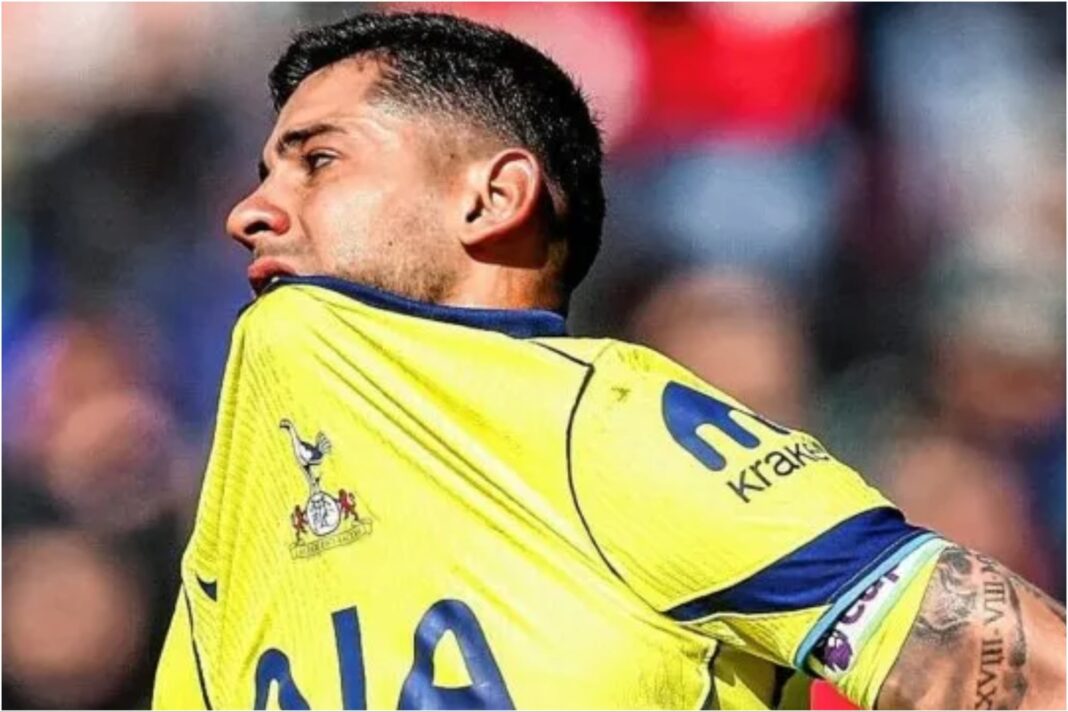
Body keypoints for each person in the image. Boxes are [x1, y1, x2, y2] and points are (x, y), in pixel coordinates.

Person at [153, 11, 1065, 710]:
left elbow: (1033, 676)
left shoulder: (607, 430)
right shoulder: (244, 493)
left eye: (317, 161)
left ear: (492, 198)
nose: (249, 212)